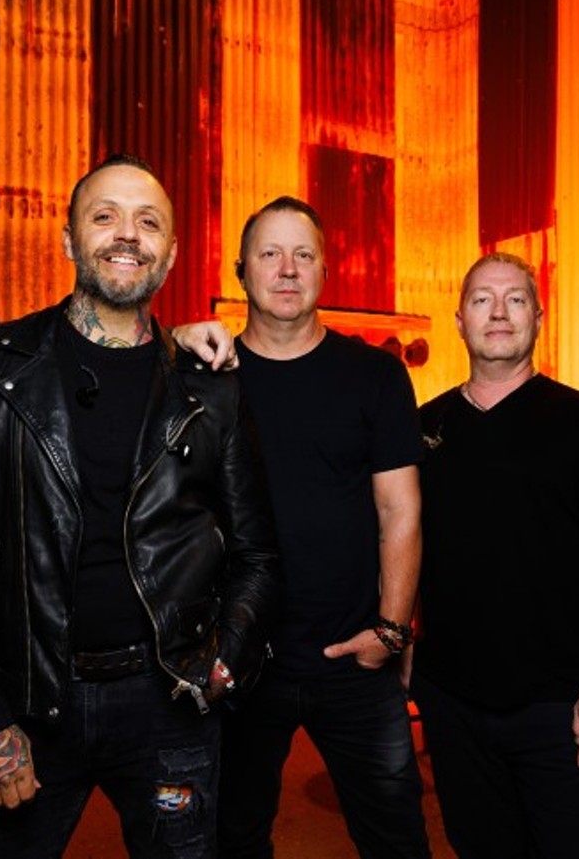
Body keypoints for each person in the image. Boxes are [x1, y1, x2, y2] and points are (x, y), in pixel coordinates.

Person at [0, 153, 283, 858]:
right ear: (69, 240)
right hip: (25, 700)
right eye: (104, 216)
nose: (127, 234)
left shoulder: (210, 387)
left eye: (148, 222)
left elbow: (256, 553)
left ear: (172, 252)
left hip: (168, 702)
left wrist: (226, 658)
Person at [210, 195, 432, 858]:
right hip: (242, 661)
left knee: (397, 841)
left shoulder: (375, 375)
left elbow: (401, 510)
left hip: (353, 657)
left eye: (303, 255)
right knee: (231, 838)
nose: (287, 269)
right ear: (241, 271)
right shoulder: (206, 379)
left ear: (324, 272)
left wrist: (391, 631)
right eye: (270, 253)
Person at [409, 252, 579, 858]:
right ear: (460, 321)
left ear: (539, 318)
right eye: (482, 299)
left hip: (564, 708)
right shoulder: (424, 428)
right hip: (453, 702)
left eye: (515, 299)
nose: (498, 312)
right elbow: (402, 543)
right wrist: (404, 648)